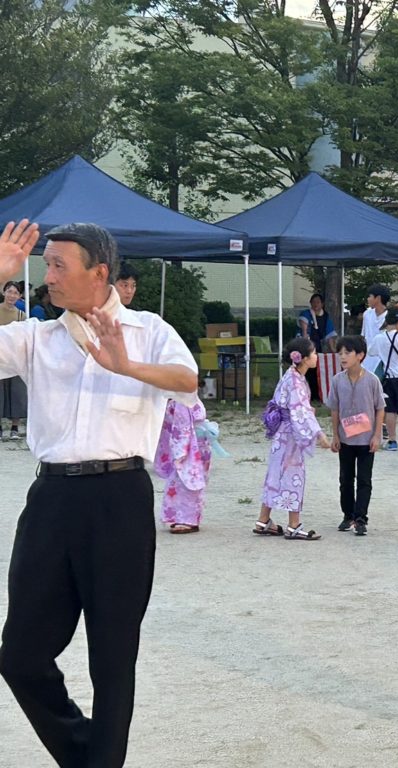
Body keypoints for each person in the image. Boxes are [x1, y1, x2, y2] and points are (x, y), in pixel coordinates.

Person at [0, 220, 199, 768]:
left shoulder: (147, 329)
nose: (48, 275)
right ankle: (87, 753)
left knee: (113, 657)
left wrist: (125, 365)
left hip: (120, 500)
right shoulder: (35, 337)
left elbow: (188, 381)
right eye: (46, 264)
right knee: (20, 655)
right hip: (51, 501)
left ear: (100, 272)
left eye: (59, 264)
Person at [255, 337, 332, 540]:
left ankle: (264, 520)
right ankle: (293, 524)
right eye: (314, 353)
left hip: (283, 433)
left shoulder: (291, 375)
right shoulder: (296, 381)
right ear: (304, 358)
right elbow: (301, 412)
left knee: (275, 473)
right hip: (290, 434)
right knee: (293, 476)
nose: (316, 356)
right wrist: (319, 434)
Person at [328, 335, 385, 537]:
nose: (343, 357)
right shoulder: (337, 380)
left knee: (364, 479)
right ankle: (348, 515)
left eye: (348, 352)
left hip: (366, 439)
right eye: (340, 353)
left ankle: (361, 518)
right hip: (345, 439)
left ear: (360, 355)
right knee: (345, 479)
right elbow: (334, 409)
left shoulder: (372, 380)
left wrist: (377, 435)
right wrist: (335, 435)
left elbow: (380, 408)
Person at [154, 398, 221, 534]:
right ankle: (183, 517)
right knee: (183, 481)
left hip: (190, 444)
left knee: (185, 481)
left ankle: (186, 519)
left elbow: (181, 427)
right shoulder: (181, 397)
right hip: (195, 442)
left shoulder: (182, 398)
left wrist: (180, 451)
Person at [368, 308, 398, 451]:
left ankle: (392, 440)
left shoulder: (379, 338)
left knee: (390, 410)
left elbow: (371, 352)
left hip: (388, 378)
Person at [0, 280, 27, 441]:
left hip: (14, 358)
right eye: (9, 291)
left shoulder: (21, 315)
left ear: (20, 296)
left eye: (15, 293)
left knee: (17, 392)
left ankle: (15, 427)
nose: (12, 295)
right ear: (4, 292)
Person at [298, 292, 337, 401]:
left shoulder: (326, 316)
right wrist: (306, 347)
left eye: (318, 302)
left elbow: (329, 335)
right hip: (303, 345)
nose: (316, 304)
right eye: (313, 302)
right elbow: (304, 330)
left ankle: (315, 394)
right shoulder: (306, 313)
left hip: (317, 345)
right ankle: (302, 394)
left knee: (315, 370)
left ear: (322, 304)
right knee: (303, 368)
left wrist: (333, 350)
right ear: (310, 303)